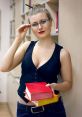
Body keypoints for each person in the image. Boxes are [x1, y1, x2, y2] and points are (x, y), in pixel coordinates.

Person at [0, 4, 72, 117]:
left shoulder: (62, 53)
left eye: (43, 21)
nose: (39, 27)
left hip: (51, 110)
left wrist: (55, 86)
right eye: (34, 24)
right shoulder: (26, 46)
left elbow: (68, 84)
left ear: (51, 21)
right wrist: (18, 39)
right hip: (24, 111)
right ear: (30, 27)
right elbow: (4, 67)